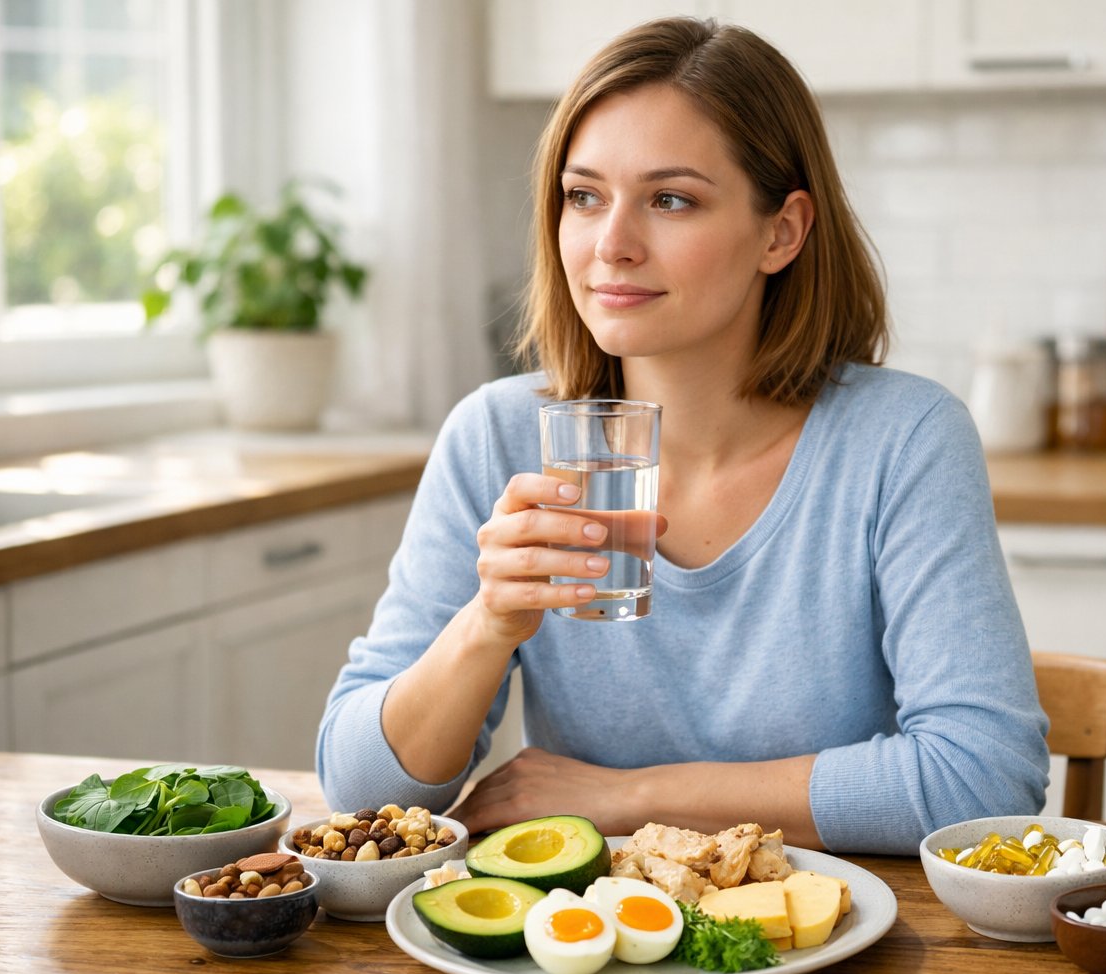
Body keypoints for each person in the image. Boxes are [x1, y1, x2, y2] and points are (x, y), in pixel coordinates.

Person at [317, 17, 1048, 855]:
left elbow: (984, 780)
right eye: (583, 196)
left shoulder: (904, 440)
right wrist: (486, 624)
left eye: (671, 200)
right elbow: (359, 791)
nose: (611, 245)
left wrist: (630, 798)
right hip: (584, 943)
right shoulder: (498, 434)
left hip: (833, 940)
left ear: (783, 232)